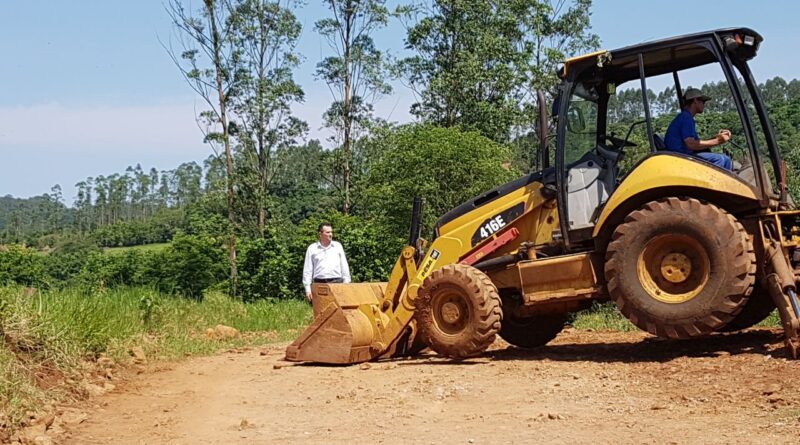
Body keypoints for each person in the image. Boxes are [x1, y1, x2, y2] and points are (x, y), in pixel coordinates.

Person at [663, 87, 733, 170]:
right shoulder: (686, 118)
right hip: (680, 157)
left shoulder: (685, 117)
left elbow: (695, 143)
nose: (704, 104)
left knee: (724, 158)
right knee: (721, 159)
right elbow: (691, 144)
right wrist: (718, 141)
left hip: (681, 155)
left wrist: (716, 137)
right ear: (695, 101)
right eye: (703, 101)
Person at [302, 223, 351, 302]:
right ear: (320, 234)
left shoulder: (338, 246)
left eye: (331, 232)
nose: (331, 234)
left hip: (336, 283)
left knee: (338, 311)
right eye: (328, 232)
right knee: (321, 312)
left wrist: (346, 283)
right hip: (319, 283)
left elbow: (344, 265)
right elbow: (307, 270)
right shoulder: (312, 248)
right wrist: (307, 289)